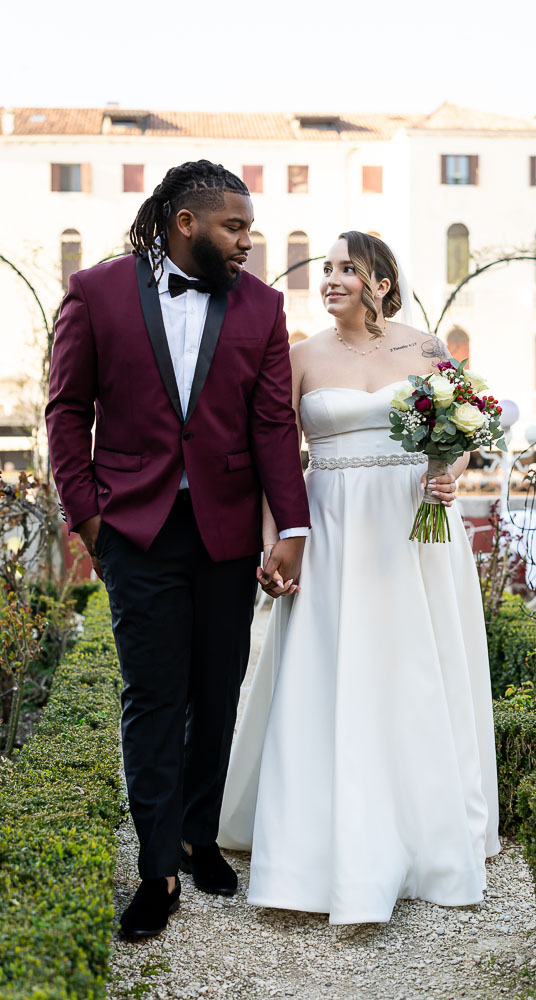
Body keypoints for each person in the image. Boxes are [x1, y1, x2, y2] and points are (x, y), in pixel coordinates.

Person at [45, 160, 309, 939]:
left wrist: (289, 529)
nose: (247, 243)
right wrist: (90, 518)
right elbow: (66, 411)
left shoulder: (262, 305)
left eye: (250, 230)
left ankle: (199, 833)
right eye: (234, 228)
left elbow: (271, 425)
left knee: (217, 691)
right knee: (153, 697)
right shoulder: (95, 291)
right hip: (136, 530)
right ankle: (157, 870)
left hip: (227, 535)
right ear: (183, 222)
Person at [219, 231, 501, 925]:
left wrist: (448, 475)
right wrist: (276, 543)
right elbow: (274, 459)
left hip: (415, 532)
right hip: (334, 527)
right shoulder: (298, 356)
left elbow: (463, 429)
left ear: (380, 281)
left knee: (415, 668)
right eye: (327, 269)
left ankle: (427, 833)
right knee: (332, 670)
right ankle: (316, 844)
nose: (332, 278)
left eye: (348, 268)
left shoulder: (426, 347)